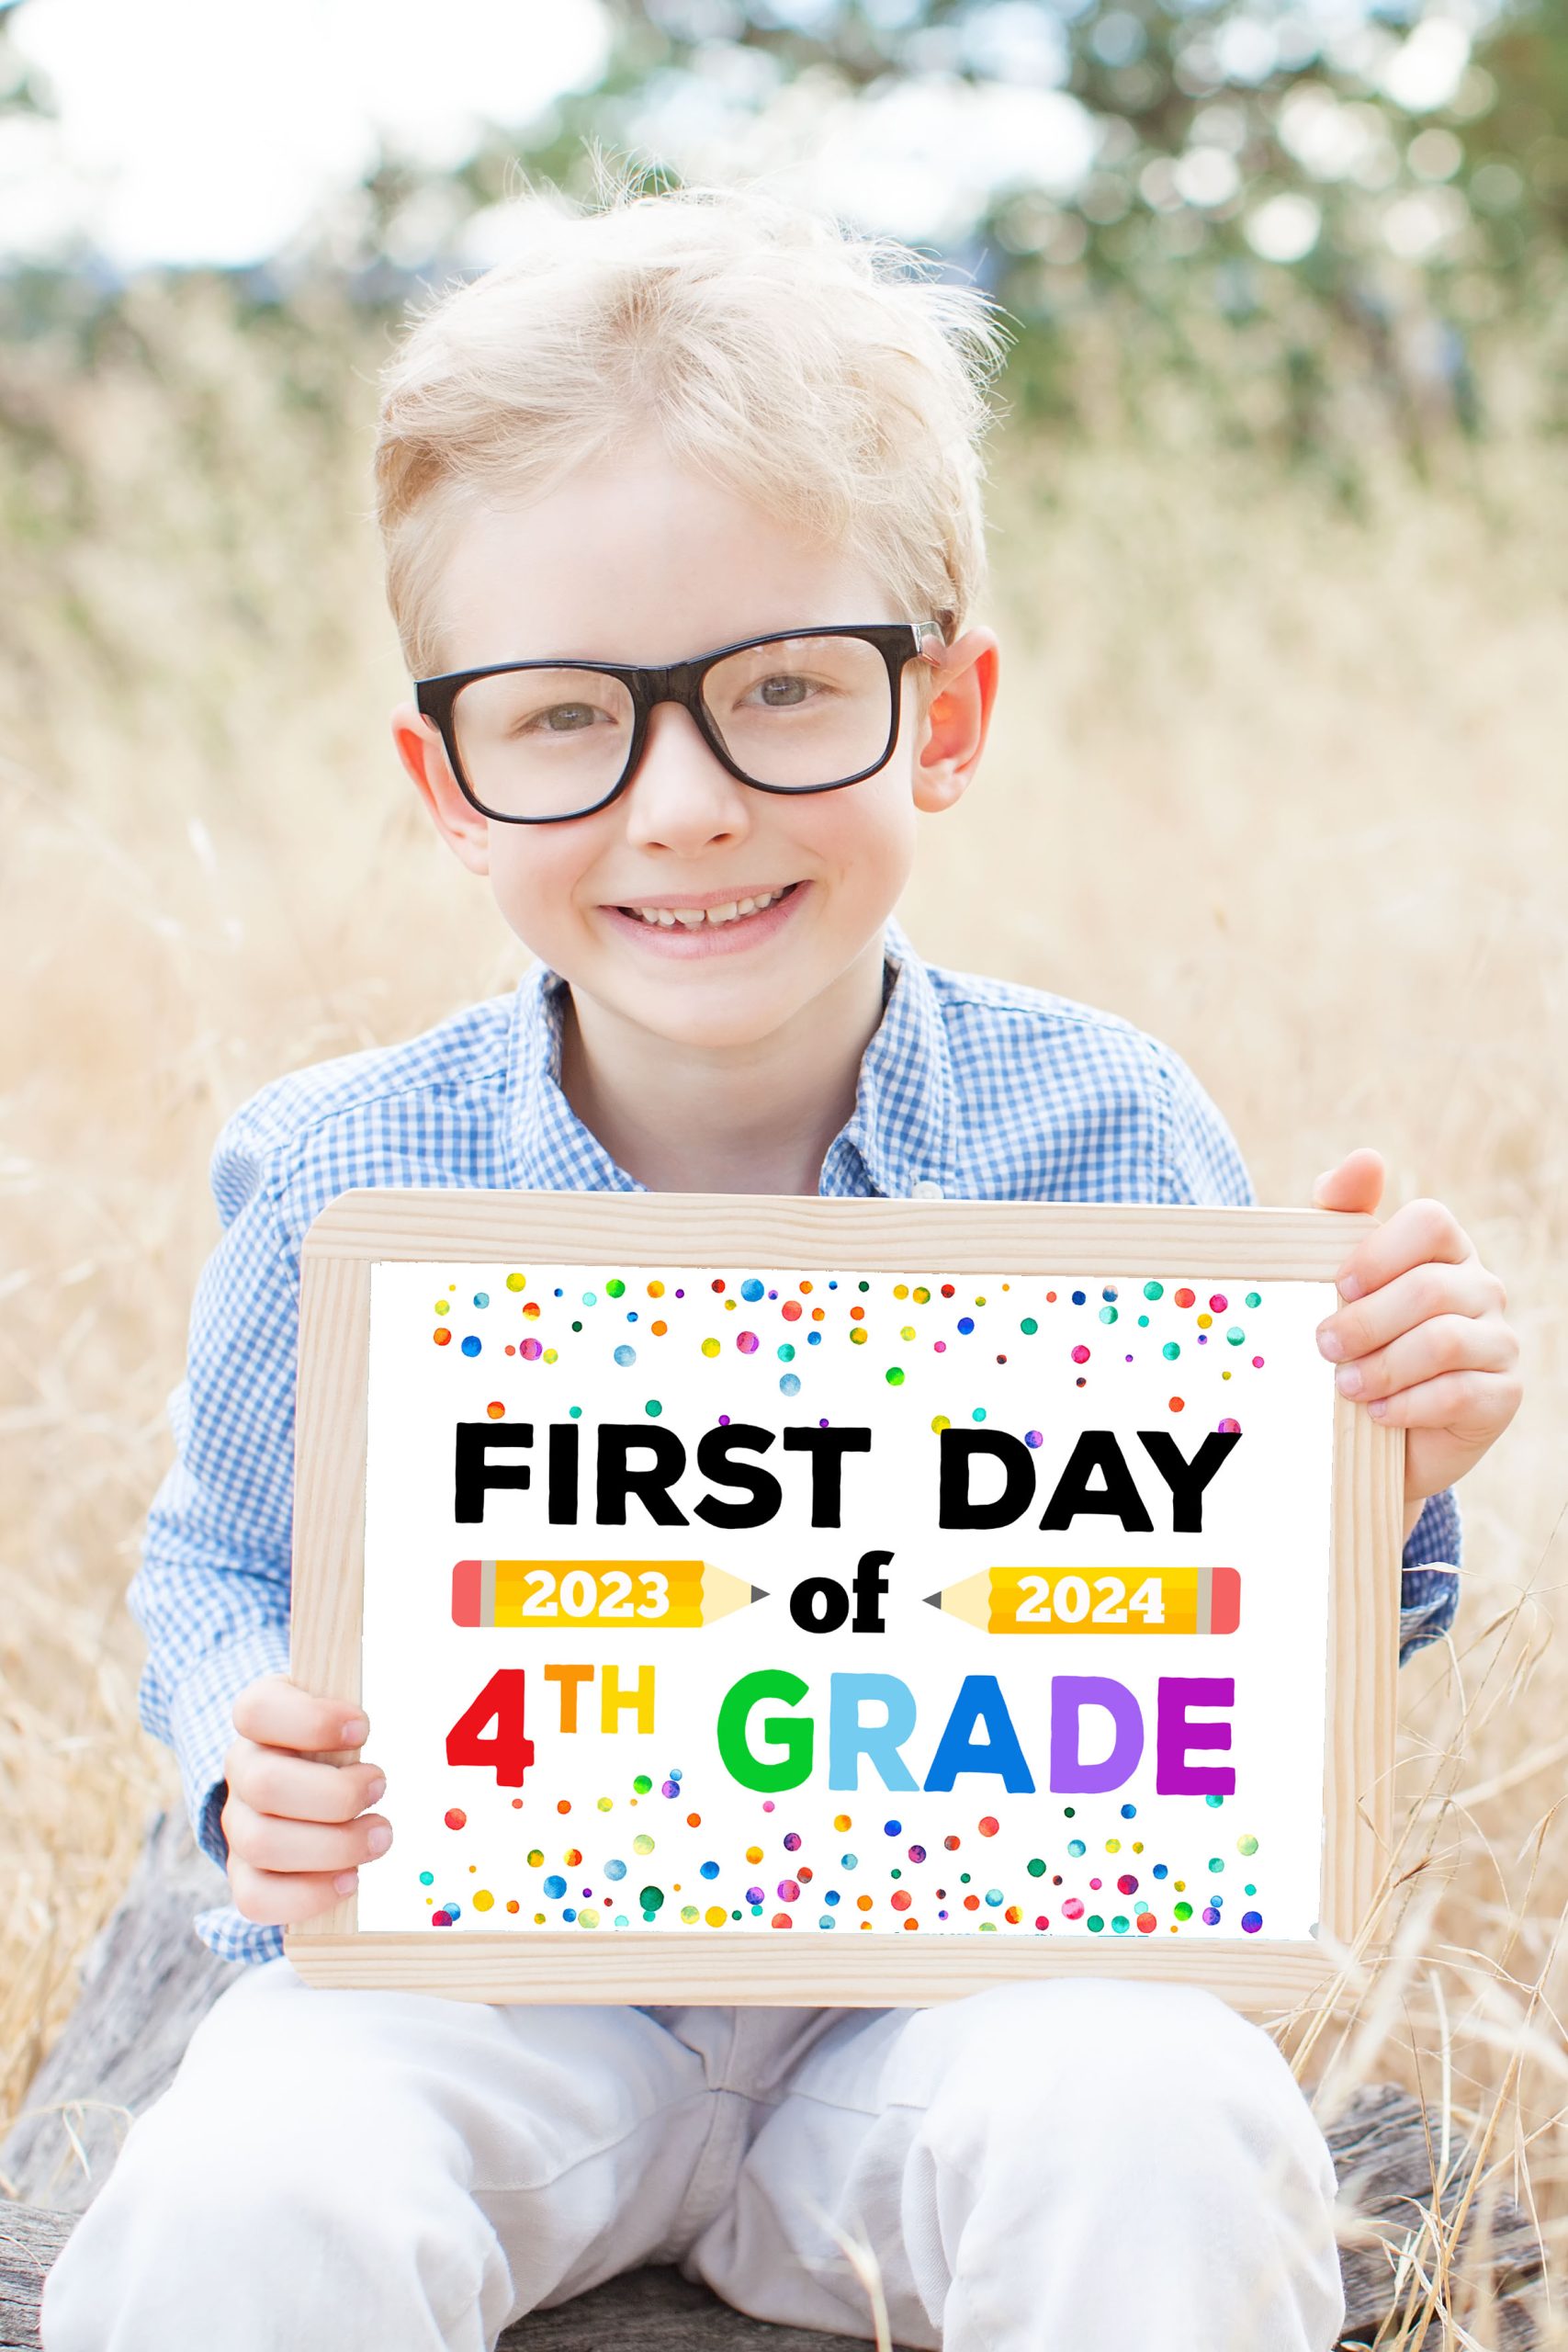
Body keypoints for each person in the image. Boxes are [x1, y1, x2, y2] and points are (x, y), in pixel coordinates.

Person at [40, 175, 1521, 2352]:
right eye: (562, 718)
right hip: (494, 1992)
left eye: (781, 690)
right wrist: (243, 1739)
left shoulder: (1095, 1131)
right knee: (242, 2187)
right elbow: (216, 1564)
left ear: (941, 709)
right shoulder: (348, 1170)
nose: (684, 803)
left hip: (953, 2003)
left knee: (1167, 2112)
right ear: (441, 777)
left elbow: (1247, 1629)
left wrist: (1380, 1463)